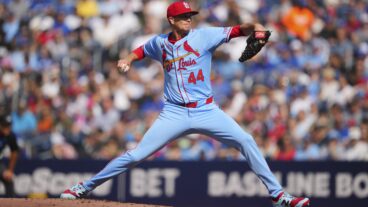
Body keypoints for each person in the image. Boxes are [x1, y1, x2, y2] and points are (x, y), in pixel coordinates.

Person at [61, 1, 310, 206]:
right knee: (135, 155)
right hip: (174, 113)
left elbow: (239, 30)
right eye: (183, 16)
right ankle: (83, 187)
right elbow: (141, 50)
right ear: (171, 20)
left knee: (245, 140)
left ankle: (278, 196)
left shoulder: (205, 36)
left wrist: (256, 26)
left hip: (206, 109)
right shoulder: (160, 43)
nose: (188, 19)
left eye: (190, 15)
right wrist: (127, 59)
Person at [0, 114, 19, 197]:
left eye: (9, 125)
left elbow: (14, 152)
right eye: (5, 125)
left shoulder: (11, 135)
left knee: (8, 180)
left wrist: (10, 170)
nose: (7, 128)